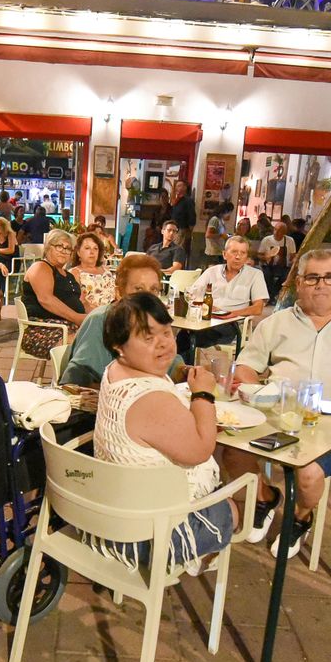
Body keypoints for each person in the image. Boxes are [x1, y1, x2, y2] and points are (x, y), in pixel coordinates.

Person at [226, 249, 331, 557]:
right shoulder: (276, 324)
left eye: (330, 277)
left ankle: (300, 518)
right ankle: (266, 498)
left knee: (307, 474)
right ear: (299, 283)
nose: (322, 285)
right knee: (229, 451)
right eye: (313, 278)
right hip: (277, 418)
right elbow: (245, 367)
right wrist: (253, 387)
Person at [85, 293, 236, 575]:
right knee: (235, 504)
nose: (164, 343)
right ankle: (196, 558)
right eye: (148, 337)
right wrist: (203, 393)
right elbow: (201, 449)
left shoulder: (115, 370)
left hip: (112, 512)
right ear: (119, 347)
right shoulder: (149, 397)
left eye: (166, 331)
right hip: (146, 536)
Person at [60, 254, 187, 387]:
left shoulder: (152, 321)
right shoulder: (101, 320)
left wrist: (188, 372)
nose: (147, 296)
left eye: (153, 289)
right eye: (139, 289)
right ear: (119, 292)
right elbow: (76, 377)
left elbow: (171, 364)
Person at [181, 236, 269, 356]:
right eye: (234, 252)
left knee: (191, 337)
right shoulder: (212, 271)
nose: (238, 257)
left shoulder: (255, 275)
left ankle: (183, 368)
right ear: (224, 254)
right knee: (184, 334)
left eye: (242, 253)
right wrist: (204, 304)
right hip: (207, 318)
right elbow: (192, 293)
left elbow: (258, 308)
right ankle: (180, 368)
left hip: (232, 324)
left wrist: (231, 313)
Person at [18, 229, 87, 364]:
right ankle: (69, 381)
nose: (64, 250)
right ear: (49, 247)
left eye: (68, 248)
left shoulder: (70, 275)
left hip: (69, 325)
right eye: (59, 246)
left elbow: (81, 302)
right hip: (42, 328)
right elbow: (46, 300)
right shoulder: (41, 267)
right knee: (90, 341)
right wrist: (78, 318)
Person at [72, 231, 116, 312]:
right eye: (87, 248)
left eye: (95, 248)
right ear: (78, 252)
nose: (92, 252)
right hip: (93, 315)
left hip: (114, 312)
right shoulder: (75, 273)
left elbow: (116, 294)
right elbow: (80, 302)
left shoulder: (106, 270)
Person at [256, 217, 297, 298]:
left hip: (284, 266)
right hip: (268, 266)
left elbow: (293, 256)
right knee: (267, 275)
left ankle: (275, 295)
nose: (276, 232)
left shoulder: (290, 241)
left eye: (279, 231)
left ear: (284, 232)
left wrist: (294, 262)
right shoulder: (266, 240)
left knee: (286, 276)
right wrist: (265, 257)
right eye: (275, 229)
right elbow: (259, 255)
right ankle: (270, 296)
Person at [203, 201, 234, 269]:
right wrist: (221, 235)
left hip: (219, 251)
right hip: (213, 252)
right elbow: (208, 234)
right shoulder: (215, 219)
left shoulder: (220, 220)